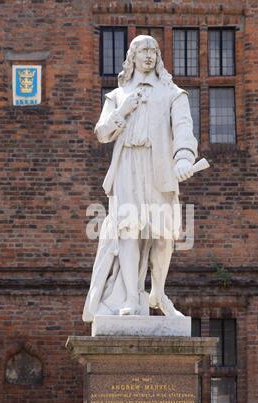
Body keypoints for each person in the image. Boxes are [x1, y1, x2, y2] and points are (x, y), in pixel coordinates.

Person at [83, 35, 198, 322]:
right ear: (132, 57)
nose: (148, 55)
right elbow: (102, 133)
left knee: (163, 234)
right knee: (128, 230)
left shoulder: (172, 93)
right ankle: (131, 297)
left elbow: (184, 128)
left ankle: (157, 292)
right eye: (143, 50)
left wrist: (183, 157)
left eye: (153, 51)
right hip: (128, 165)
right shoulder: (118, 96)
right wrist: (123, 110)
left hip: (158, 165)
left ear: (158, 58)